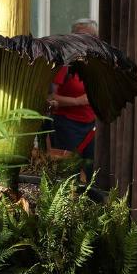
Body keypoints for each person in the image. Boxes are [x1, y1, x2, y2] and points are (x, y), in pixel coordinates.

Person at [47, 19, 98, 166]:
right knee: (68, 170)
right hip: (68, 125)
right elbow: (50, 97)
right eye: (78, 36)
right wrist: (77, 101)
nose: (82, 40)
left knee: (92, 169)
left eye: (90, 37)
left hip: (91, 125)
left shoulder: (96, 62)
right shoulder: (65, 62)